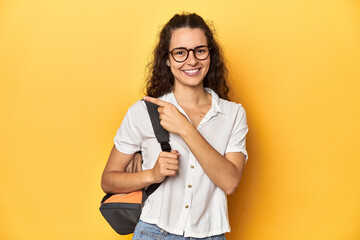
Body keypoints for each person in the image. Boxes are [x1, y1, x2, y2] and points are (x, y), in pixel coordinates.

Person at [101, 13, 248, 240]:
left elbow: (229, 182)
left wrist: (185, 128)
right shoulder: (143, 112)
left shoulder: (232, 114)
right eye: (180, 53)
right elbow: (108, 180)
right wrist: (152, 174)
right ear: (167, 59)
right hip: (152, 232)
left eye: (200, 50)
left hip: (210, 235)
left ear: (210, 55)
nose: (191, 61)